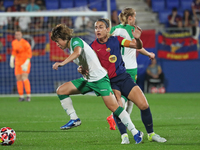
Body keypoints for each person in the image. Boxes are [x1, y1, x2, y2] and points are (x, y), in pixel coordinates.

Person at [51, 24, 144, 144]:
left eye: (57, 41)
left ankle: (136, 132)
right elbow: (83, 61)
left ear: (63, 37)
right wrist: (82, 69)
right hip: (88, 80)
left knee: (114, 107)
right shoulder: (71, 48)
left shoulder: (75, 41)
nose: (57, 44)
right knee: (61, 90)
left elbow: (78, 52)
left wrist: (62, 63)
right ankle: (74, 118)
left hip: (100, 79)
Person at [88, 18, 167, 143]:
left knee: (144, 105)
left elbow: (137, 46)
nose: (97, 30)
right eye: (96, 27)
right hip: (109, 81)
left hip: (123, 77)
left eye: (101, 27)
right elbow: (88, 64)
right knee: (119, 107)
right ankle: (124, 136)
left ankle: (151, 134)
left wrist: (138, 39)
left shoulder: (117, 40)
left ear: (108, 29)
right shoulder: (92, 46)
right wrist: (83, 69)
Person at [107, 8, 155, 144]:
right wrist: (150, 54)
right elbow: (137, 46)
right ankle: (114, 116)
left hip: (117, 67)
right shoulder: (130, 29)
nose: (134, 19)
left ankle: (123, 128)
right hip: (129, 69)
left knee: (126, 100)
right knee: (127, 101)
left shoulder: (114, 29)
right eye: (134, 16)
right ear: (130, 18)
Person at [10, 29, 32, 102]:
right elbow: (14, 52)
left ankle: (28, 95)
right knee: (18, 78)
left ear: (21, 35)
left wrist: (26, 63)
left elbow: (29, 54)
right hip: (17, 63)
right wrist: (12, 59)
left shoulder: (25, 43)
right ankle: (21, 96)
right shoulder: (14, 43)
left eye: (19, 34)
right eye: (16, 34)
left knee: (24, 77)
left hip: (25, 63)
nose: (17, 36)